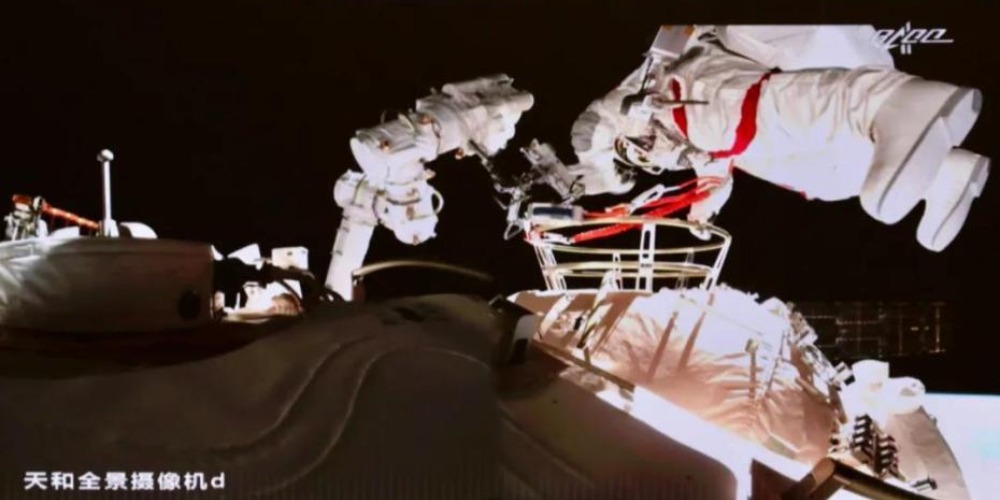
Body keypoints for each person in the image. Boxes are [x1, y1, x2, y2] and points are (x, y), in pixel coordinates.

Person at [569, 25, 990, 251]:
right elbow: (708, 161)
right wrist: (705, 201)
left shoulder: (630, 102)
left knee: (742, 116)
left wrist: (595, 175)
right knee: (826, 177)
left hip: (698, 78)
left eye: (635, 153)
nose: (647, 157)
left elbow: (592, 128)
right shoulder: (671, 144)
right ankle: (942, 173)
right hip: (712, 115)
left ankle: (889, 102)